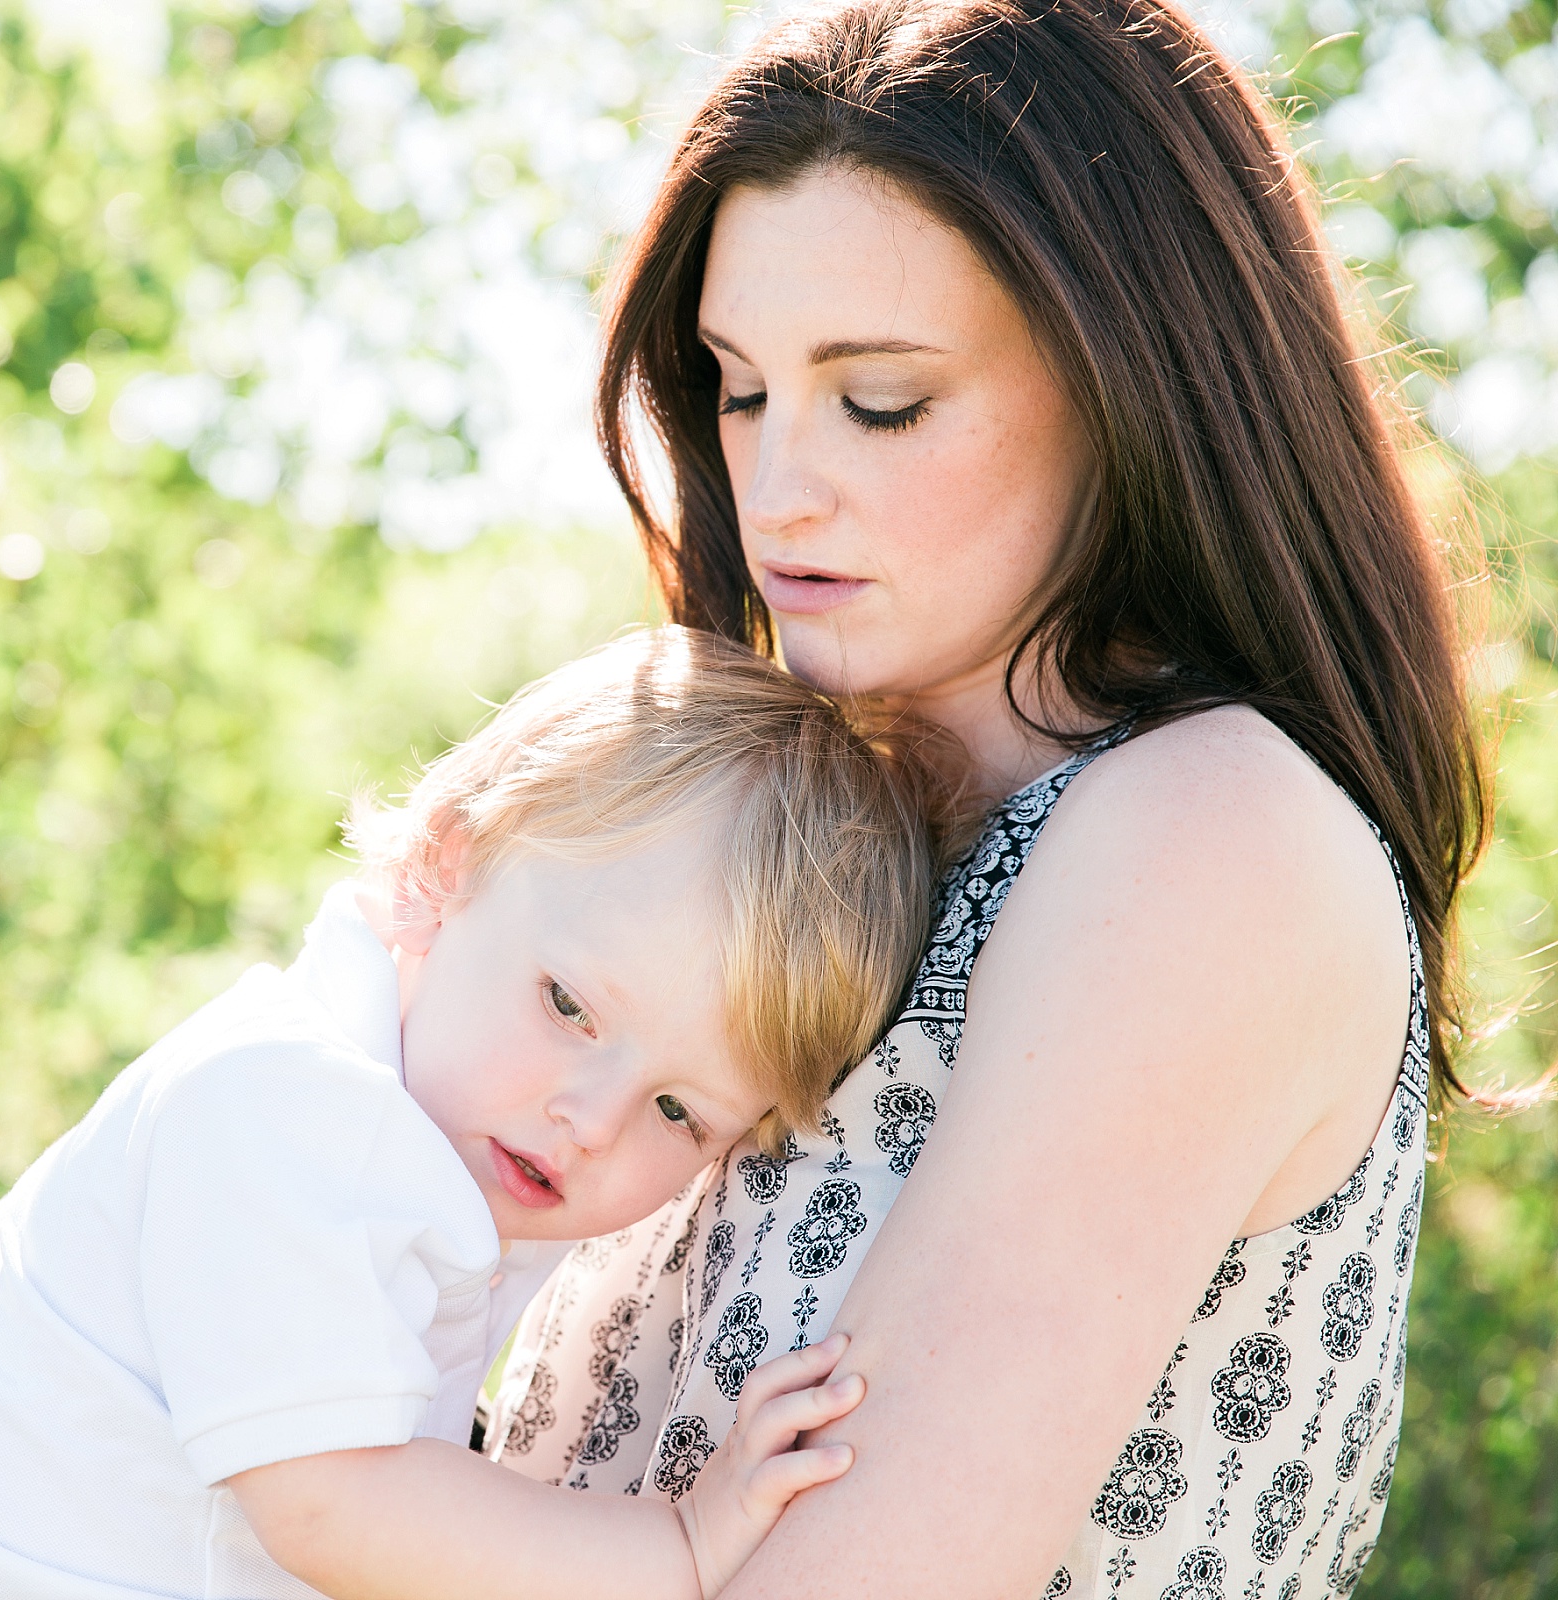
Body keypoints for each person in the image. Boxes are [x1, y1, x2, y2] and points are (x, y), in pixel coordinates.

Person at [487, 1, 1488, 1597]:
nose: (779, 486)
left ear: (1133, 384)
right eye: (740, 391)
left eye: (880, 399)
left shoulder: (1209, 840)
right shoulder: (818, 840)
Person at [0, 626, 939, 1599]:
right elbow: (333, 1504)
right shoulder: (285, 1104)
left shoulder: (422, 1128)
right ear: (438, 868)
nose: (592, 1118)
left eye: (677, 1111)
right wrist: (682, 1551)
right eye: (570, 1005)